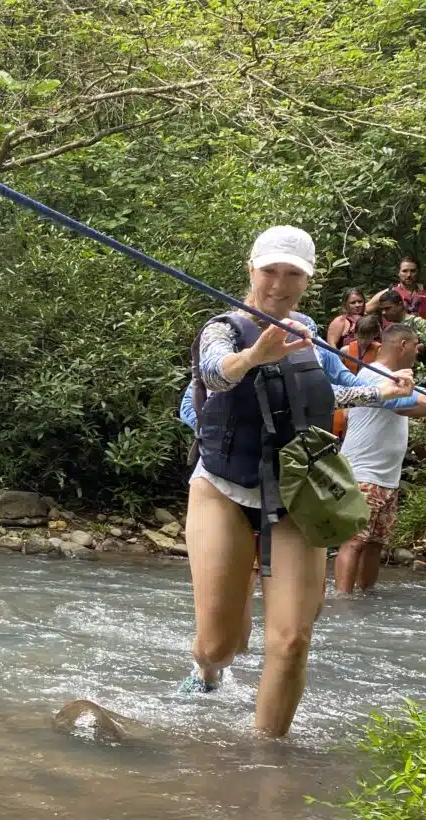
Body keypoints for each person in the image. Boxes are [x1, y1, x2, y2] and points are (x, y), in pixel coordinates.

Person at [181, 225, 416, 737]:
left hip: (296, 491)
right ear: (251, 270)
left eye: (293, 274)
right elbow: (215, 373)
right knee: (219, 645)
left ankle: (266, 771)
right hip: (224, 486)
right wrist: (254, 358)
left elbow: (345, 388)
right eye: (270, 271)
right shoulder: (221, 327)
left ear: (307, 280)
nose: (279, 285)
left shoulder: (311, 334)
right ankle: (206, 669)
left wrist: (389, 389)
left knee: (291, 640)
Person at [334, 322, 426, 594]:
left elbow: (415, 404)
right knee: (353, 542)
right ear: (403, 345)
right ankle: (343, 604)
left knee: (375, 544)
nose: (417, 352)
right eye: (416, 347)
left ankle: (365, 602)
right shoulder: (375, 376)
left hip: (387, 479)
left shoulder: (396, 380)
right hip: (362, 475)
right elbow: (406, 406)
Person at [332, 311, 382, 438]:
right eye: (361, 335)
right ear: (356, 332)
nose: (363, 340)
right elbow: (336, 376)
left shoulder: (379, 351)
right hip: (346, 395)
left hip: (367, 396)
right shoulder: (345, 350)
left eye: (368, 336)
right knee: (339, 425)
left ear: (375, 334)